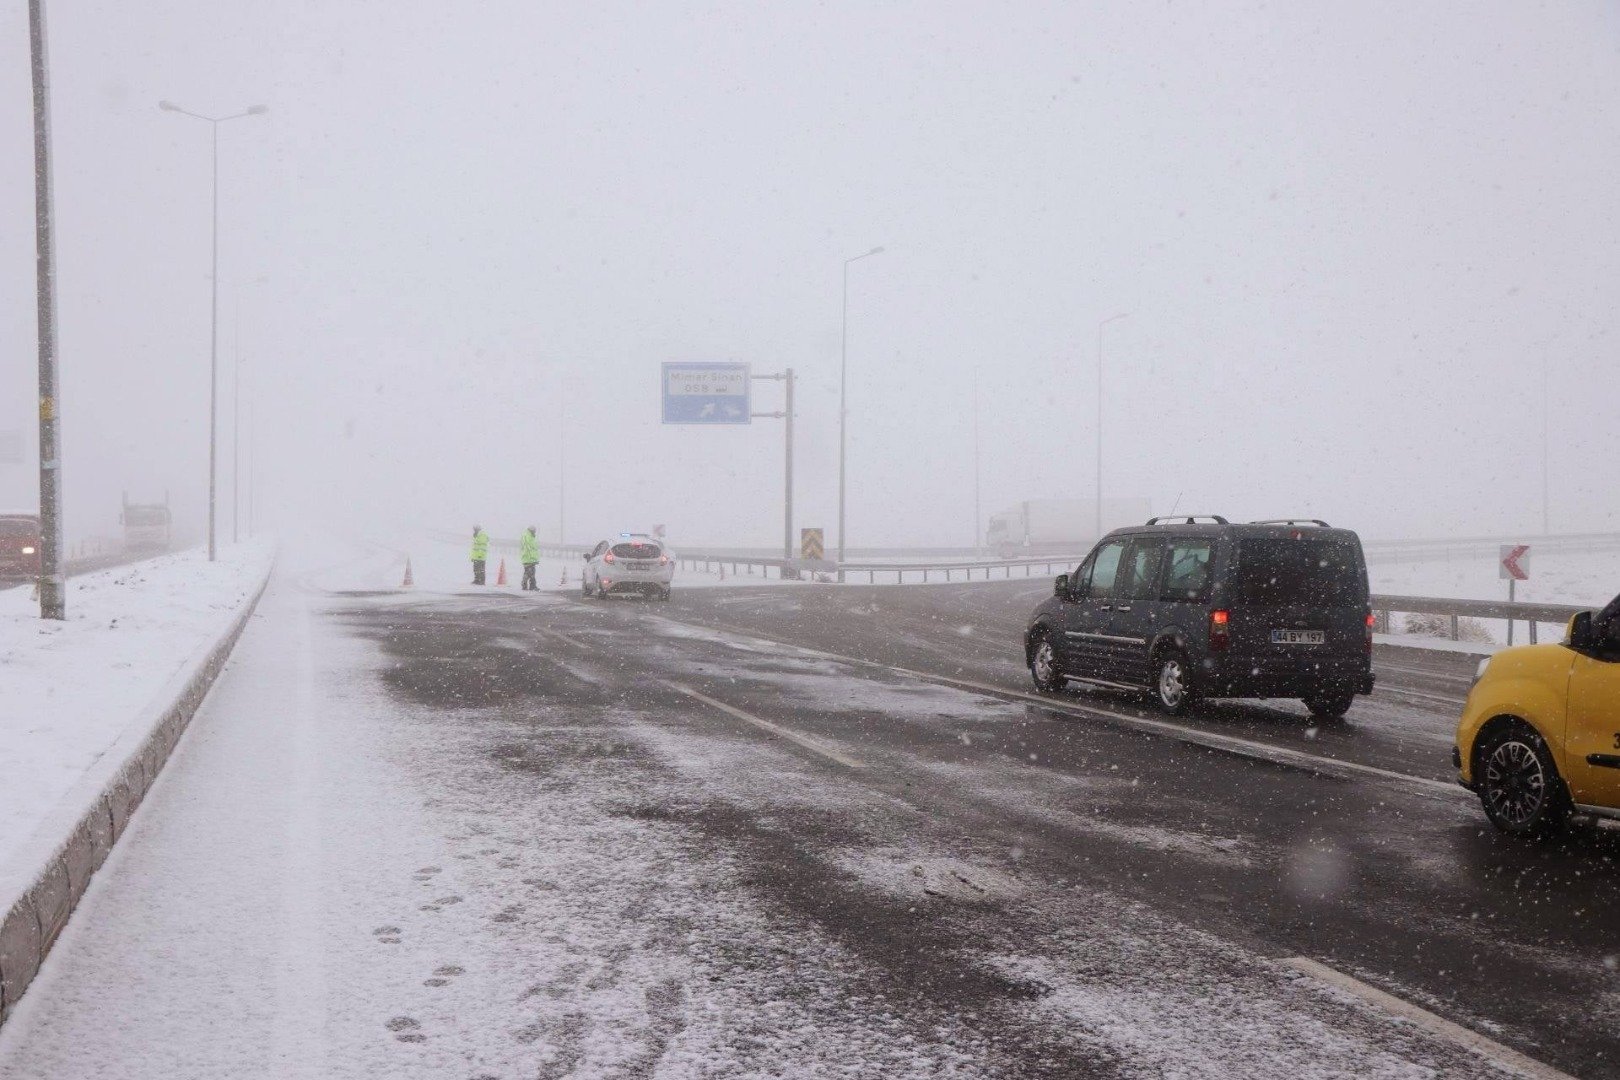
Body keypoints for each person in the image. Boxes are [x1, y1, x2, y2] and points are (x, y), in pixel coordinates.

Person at [519, 526, 540, 591]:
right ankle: (527, 586)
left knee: (530, 573)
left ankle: (531, 586)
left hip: (531, 558)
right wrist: (531, 557)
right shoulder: (527, 536)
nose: (535, 532)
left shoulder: (531, 536)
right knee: (529, 573)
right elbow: (528, 547)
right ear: (531, 530)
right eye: (534, 530)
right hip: (528, 558)